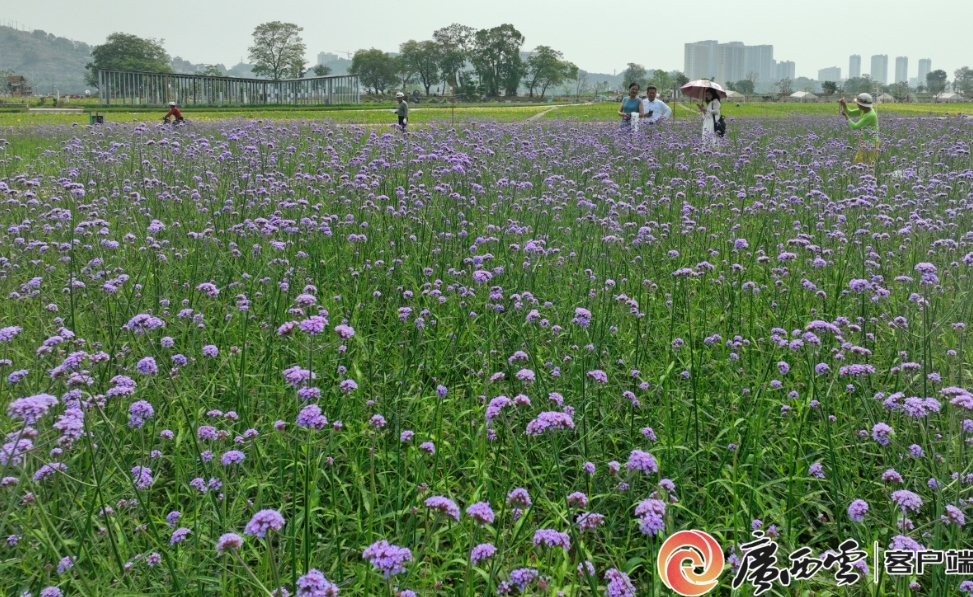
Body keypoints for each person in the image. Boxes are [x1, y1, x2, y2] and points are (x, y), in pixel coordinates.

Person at [839, 93, 879, 169]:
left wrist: (846, 116)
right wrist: (844, 105)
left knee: (869, 164)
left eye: (858, 104)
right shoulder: (863, 110)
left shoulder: (870, 115)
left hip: (872, 143)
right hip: (865, 141)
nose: (857, 105)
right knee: (859, 160)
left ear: (863, 105)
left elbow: (855, 127)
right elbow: (850, 112)